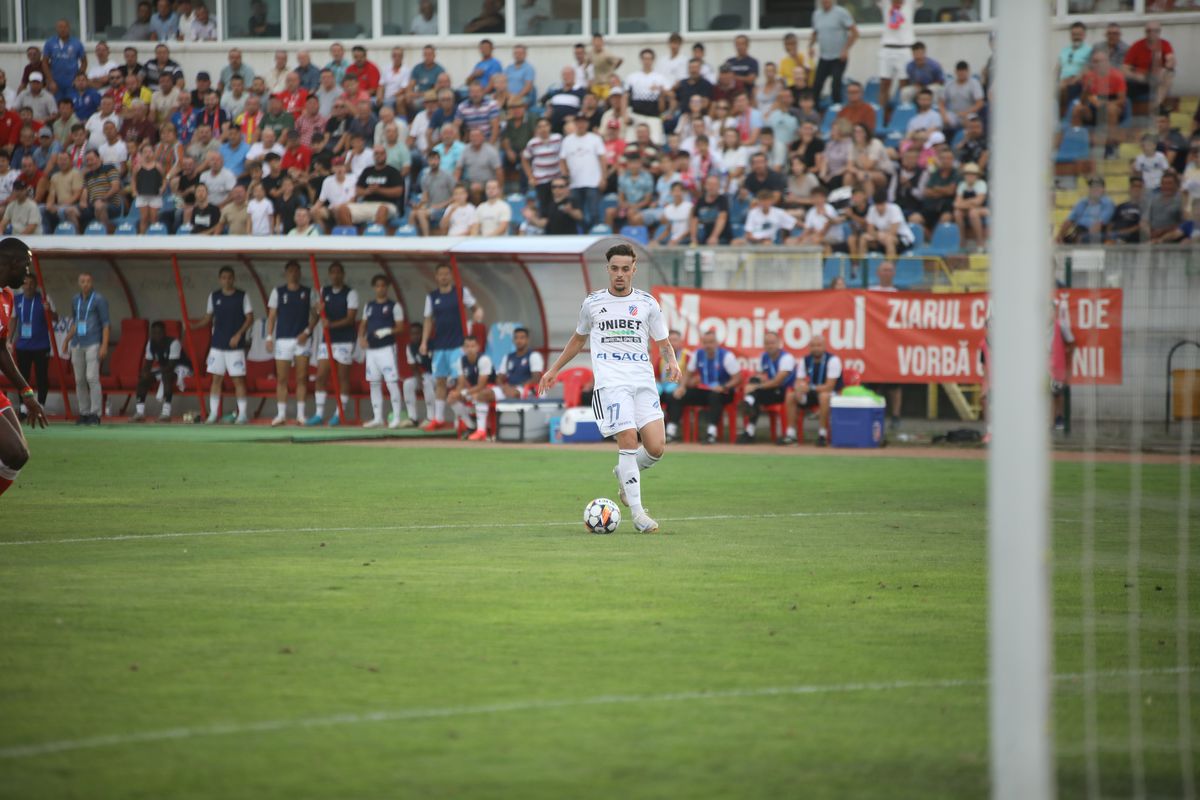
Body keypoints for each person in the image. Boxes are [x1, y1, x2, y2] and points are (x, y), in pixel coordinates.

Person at [539, 243, 679, 532]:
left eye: (625, 269)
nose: (619, 274)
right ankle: (639, 515)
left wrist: (672, 362)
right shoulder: (592, 303)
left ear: (633, 270)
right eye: (614, 268)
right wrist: (554, 369)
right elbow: (578, 340)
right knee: (628, 439)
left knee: (656, 448)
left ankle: (624, 473)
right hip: (611, 384)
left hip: (643, 382)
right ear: (608, 270)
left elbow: (663, 342)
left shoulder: (647, 303)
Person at [0, 239, 48, 495]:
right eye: (26, 265)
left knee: (19, 455)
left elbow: (0, 349)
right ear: (13, 263)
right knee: (13, 452)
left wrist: (27, 393)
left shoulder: (7, 298)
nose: (28, 272)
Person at [419, 264, 477, 431]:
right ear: (436, 277)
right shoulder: (432, 297)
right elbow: (428, 320)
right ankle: (438, 418)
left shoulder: (460, 292)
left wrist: (478, 313)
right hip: (439, 346)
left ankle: (467, 416)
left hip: (458, 345)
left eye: (446, 274)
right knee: (440, 381)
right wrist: (424, 342)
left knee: (461, 379)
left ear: (451, 276)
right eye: (440, 274)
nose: (444, 277)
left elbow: (475, 308)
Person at [191, 266, 252, 425]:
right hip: (217, 344)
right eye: (224, 277)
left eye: (230, 277)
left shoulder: (242, 296)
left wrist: (239, 334)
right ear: (220, 279)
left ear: (234, 279)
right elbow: (208, 317)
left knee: (238, 380)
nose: (227, 280)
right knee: (216, 380)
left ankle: (243, 414)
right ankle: (212, 414)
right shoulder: (214, 296)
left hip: (235, 347)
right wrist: (194, 326)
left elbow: (249, 318)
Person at [664, 328, 741, 446]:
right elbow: (688, 374)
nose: (708, 345)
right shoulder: (698, 354)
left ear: (717, 343)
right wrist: (682, 387)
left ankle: (711, 433)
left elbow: (737, 378)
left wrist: (724, 386)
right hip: (705, 390)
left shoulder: (727, 356)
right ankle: (671, 431)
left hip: (723, 391)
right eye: (705, 343)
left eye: (711, 342)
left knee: (715, 396)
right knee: (678, 395)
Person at [265, 260, 316, 426]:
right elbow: (272, 316)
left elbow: (316, 315)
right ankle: (281, 415)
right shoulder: (277, 292)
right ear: (286, 273)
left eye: (296, 270)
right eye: (291, 271)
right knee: (282, 378)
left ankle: (301, 415)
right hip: (283, 340)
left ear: (300, 273)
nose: (293, 273)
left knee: (302, 378)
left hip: (302, 340)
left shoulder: (309, 292)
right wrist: (269, 337)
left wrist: (307, 332)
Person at [307, 261, 358, 426]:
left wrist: (331, 325)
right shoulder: (323, 291)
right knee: (321, 375)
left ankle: (339, 413)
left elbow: (351, 318)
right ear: (329, 274)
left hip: (344, 341)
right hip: (326, 341)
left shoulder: (351, 293)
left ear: (343, 274)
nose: (335, 275)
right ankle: (319, 414)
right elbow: (316, 314)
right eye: (332, 272)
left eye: (338, 272)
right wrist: (316, 310)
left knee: (342, 377)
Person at [358, 274, 405, 429]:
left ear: (387, 287)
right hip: (371, 350)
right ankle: (377, 417)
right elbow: (363, 324)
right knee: (374, 383)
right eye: (377, 285)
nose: (380, 288)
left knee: (391, 382)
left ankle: (396, 417)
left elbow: (401, 327)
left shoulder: (394, 306)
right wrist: (361, 338)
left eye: (383, 285)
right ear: (374, 287)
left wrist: (388, 331)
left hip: (387, 349)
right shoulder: (369, 305)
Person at [779, 333, 841, 447]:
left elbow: (830, 386)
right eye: (813, 346)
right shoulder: (805, 360)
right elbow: (799, 380)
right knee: (790, 395)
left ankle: (822, 434)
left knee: (824, 396)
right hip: (811, 393)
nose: (816, 348)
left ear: (824, 346)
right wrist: (798, 389)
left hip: (831, 395)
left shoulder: (833, 360)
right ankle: (790, 434)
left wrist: (809, 388)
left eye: (819, 345)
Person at [738, 330, 796, 444]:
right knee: (753, 388)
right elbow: (762, 375)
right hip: (770, 390)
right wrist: (753, 382)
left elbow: (777, 382)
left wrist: (755, 386)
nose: (770, 346)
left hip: (784, 392)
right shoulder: (764, 356)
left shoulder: (786, 358)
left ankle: (749, 427)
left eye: (772, 343)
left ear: (779, 343)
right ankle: (749, 428)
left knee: (754, 393)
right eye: (767, 343)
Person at [66, 272, 110, 425]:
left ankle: (95, 413)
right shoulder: (75, 300)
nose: (85, 284)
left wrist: (104, 345)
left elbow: (105, 324)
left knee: (92, 377)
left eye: (88, 281)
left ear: (92, 283)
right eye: (82, 281)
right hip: (77, 343)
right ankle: (84, 412)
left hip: (93, 342)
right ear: (79, 283)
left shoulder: (99, 299)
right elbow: (75, 322)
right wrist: (66, 340)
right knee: (79, 379)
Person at [131, 321, 190, 422]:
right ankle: (140, 413)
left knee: (167, 376)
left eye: (159, 333)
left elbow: (171, 366)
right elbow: (148, 363)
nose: (156, 335)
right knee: (143, 378)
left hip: (182, 369)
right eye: (154, 333)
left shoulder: (174, 343)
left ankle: (166, 413)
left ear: (164, 333)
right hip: (164, 368)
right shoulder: (150, 343)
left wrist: (153, 373)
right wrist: (145, 373)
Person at [13, 274, 55, 415]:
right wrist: (8, 340)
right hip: (22, 346)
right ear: (22, 285)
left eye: (31, 283)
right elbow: (14, 320)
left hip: (41, 346)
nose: (28, 286)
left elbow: (55, 318)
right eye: (26, 283)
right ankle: (24, 407)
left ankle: (41, 405)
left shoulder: (44, 298)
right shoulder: (17, 299)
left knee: (41, 377)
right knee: (22, 377)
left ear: (36, 284)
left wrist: (49, 310)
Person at [560, 115, 606, 231]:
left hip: (593, 182)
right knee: (577, 213)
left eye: (583, 122)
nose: (581, 125)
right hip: (574, 183)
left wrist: (603, 178)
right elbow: (562, 160)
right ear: (575, 124)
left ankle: (595, 236)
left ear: (587, 124)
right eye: (578, 122)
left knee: (594, 212)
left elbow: (602, 159)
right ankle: (580, 235)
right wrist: (565, 176)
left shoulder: (595, 139)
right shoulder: (567, 140)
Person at [809, 0, 858, 106]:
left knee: (835, 85)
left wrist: (845, 49)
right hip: (824, 57)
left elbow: (855, 33)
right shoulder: (816, 14)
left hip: (839, 57)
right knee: (816, 85)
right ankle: (816, 113)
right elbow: (815, 33)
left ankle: (837, 109)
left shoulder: (841, 13)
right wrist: (811, 46)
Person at [877, 0, 918, 124]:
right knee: (884, 83)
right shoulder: (885, 3)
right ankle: (881, 117)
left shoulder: (910, 3)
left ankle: (902, 116)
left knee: (904, 85)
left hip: (905, 48)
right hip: (887, 47)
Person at [1122, 21, 1174, 110]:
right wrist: (1136, 76)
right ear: (1145, 32)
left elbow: (1171, 60)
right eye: (1149, 31)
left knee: (1169, 74)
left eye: (1155, 31)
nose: (1151, 33)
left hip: (1158, 77)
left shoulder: (1165, 44)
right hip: (1141, 78)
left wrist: (1164, 69)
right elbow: (1125, 68)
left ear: (1159, 32)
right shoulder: (1137, 45)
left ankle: (1156, 105)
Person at [492, 326, 544, 400]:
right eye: (516, 338)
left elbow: (536, 378)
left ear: (527, 340)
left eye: (522, 338)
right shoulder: (508, 357)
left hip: (526, 389)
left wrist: (516, 387)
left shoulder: (533, 355)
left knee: (512, 393)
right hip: (508, 389)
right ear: (513, 340)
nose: (519, 340)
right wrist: (503, 387)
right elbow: (499, 378)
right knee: (485, 394)